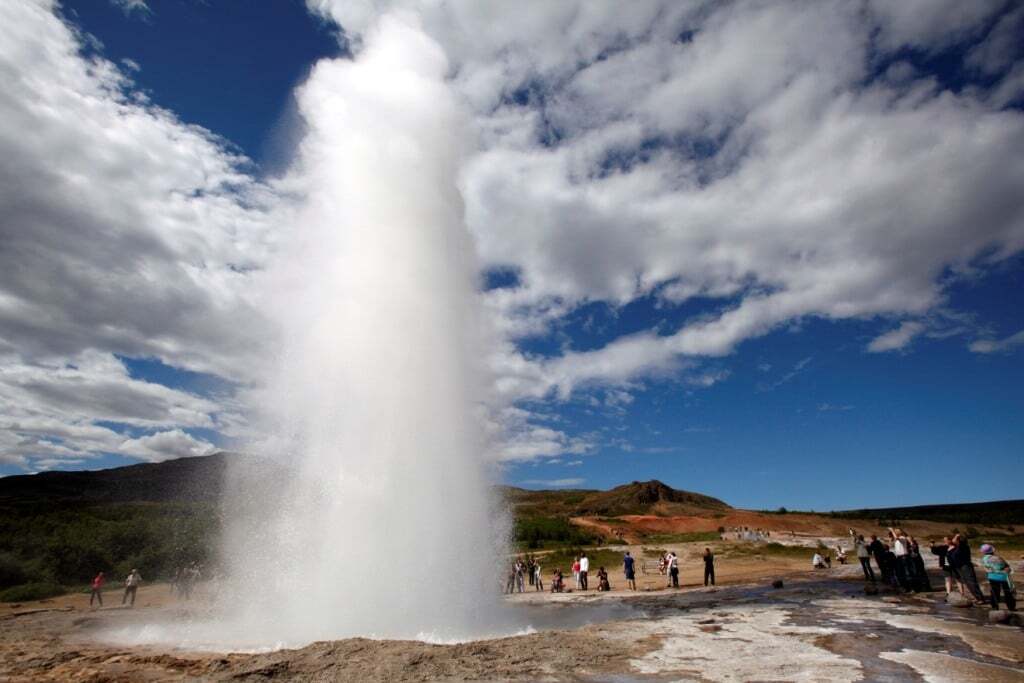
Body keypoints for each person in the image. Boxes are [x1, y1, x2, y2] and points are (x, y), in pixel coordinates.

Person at [949, 534, 986, 603]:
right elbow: (952, 543)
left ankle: (980, 599)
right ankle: (977, 597)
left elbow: (954, 541)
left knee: (971, 582)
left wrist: (957, 536)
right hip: (961, 567)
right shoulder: (958, 547)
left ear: (959, 541)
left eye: (956, 540)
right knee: (968, 583)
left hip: (966, 567)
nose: (954, 540)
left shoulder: (963, 546)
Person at [980, 544, 1016, 611]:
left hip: (991, 577)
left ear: (983, 552)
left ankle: (994, 607)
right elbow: (1007, 566)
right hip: (1003, 577)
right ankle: (1011, 607)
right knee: (1007, 592)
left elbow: (986, 568)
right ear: (992, 551)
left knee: (994, 592)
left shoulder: (983, 559)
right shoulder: (998, 558)